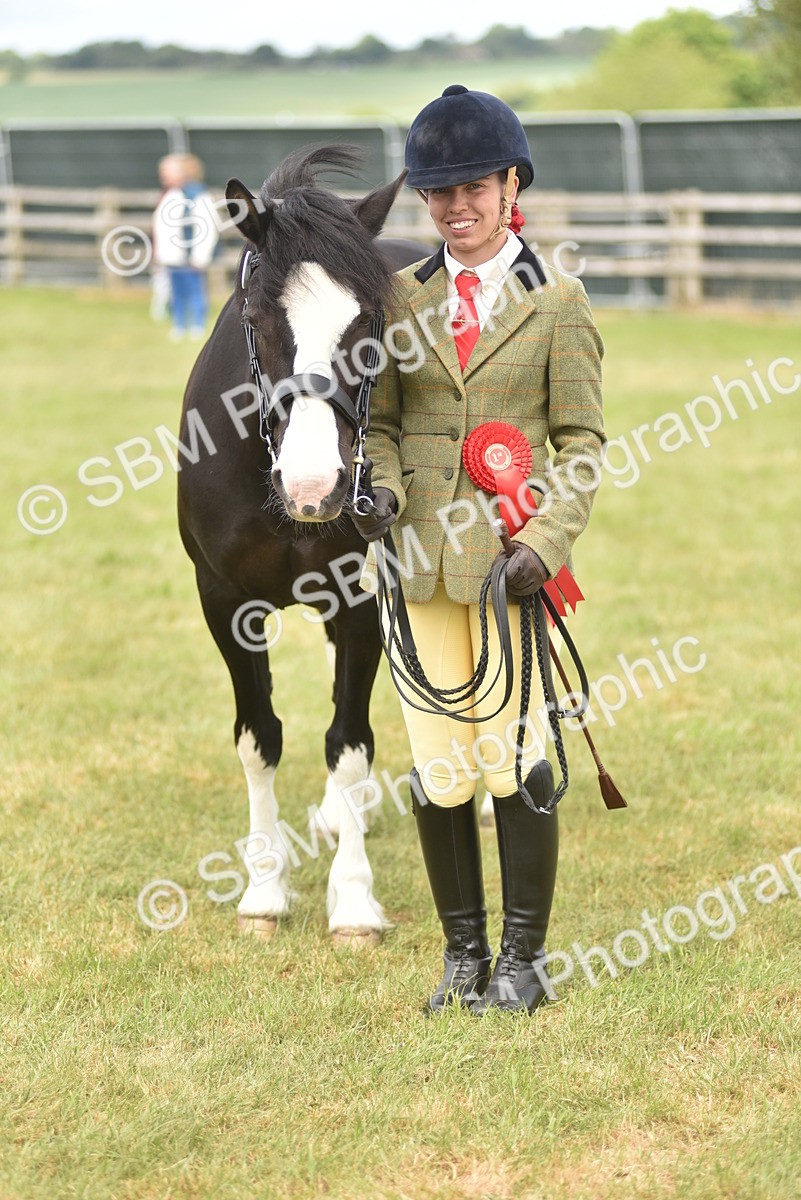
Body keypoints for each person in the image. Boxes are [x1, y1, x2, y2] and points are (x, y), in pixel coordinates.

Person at [352, 85, 606, 1015]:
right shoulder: (398, 296)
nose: (456, 209)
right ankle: (461, 954)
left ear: (510, 186)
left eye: (473, 189)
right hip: (418, 564)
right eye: (439, 194)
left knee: (516, 758)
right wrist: (377, 486)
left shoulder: (560, 304)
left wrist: (542, 538)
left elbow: (581, 444)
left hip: (507, 567)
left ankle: (521, 959)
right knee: (439, 762)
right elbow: (377, 423)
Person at [152, 153, 218, 341]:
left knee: (195, 291)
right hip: (172, 256)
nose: (163, 177)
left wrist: (200, 256)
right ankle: (179, 324)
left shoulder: (198, 195)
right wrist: (160, 252)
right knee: (177, 292)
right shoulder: (171, 195)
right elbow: (163, 227)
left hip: (190, 257)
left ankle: (197, 324)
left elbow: (206, 228)